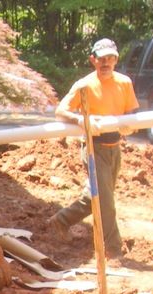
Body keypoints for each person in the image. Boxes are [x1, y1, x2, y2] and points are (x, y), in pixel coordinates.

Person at [48, 37, 139, 259]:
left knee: (96, 197)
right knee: (106, 203)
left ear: (116, 60)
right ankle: (114, 251)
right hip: (93, 148)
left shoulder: (124, 83)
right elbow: (61, 111)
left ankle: (61, 220)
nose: (106, 63)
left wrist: (131, 125)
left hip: (115, 147)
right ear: (93, 60)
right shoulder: (84, 85)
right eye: (101, 59)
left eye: (110, 58)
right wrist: (81, 120)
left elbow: (132, 112)